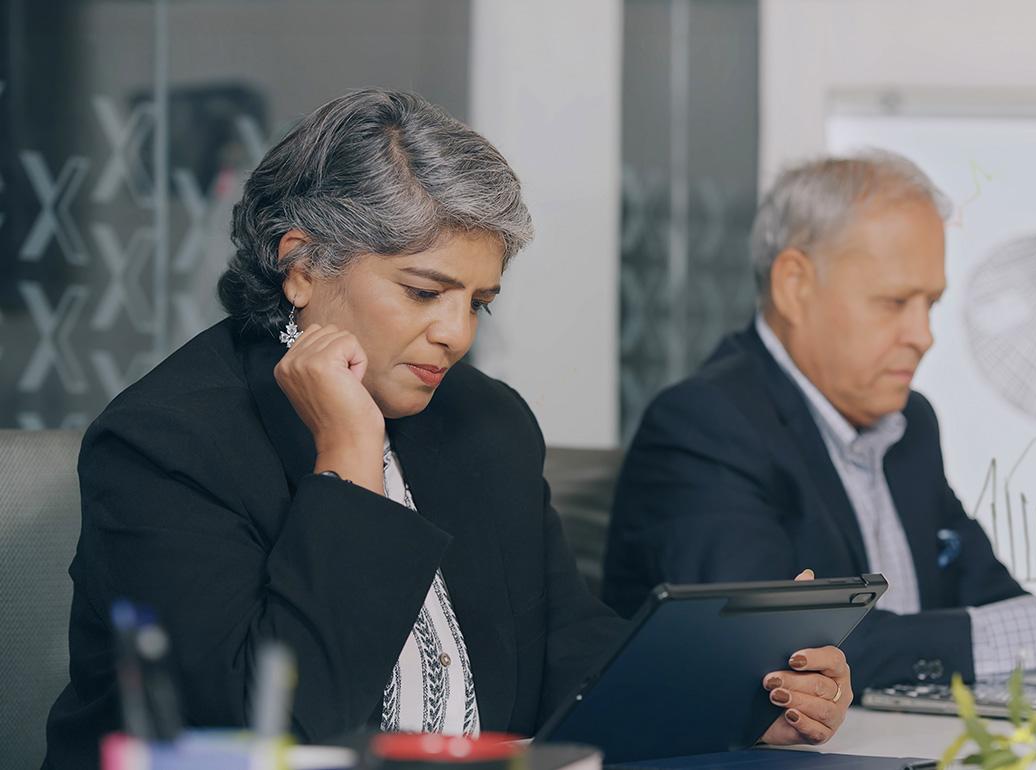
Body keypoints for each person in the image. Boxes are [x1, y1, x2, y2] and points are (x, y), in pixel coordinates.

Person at [43, 90, 852, 770]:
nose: (456, 335)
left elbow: (564, 651)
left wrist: (740, 701)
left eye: (479, 301)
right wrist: (349, 462)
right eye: (425, 291)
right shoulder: (165, 443)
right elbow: (277, 729)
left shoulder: (484, 421)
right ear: (300, 264)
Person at [603, 150, 1036, 694]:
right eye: (894, 302)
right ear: (795, 286)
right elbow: (772, 652)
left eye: (931, 304)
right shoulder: (704, 425)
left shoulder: (911, 425)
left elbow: (987, 596)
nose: (923, 335)